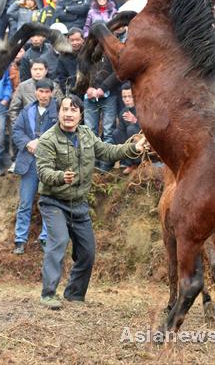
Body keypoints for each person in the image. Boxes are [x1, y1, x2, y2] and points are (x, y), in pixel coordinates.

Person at [36, 95, 148, 309]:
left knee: (87, 252)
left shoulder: (86, 134)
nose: (68, 114)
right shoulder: (48, 140)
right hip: (54, 203)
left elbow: (108, 151)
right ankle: (48, 294)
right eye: (64, 109)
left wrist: (134, 148)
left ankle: (74, 295)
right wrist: (61, 176)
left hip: (78, 204)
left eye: (73, 110)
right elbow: (43, 171)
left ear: (81, 114)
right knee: (58, 243)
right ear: (58, 112)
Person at [13, 78, 58, 255]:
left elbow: (62, 131)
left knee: (48, 202)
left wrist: (41, 142)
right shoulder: (27, 111)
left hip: (50, 163)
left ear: (52, 93)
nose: (44, 95)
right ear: (36, 92)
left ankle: (46, 238)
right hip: (29, 163)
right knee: (25, 203)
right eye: (41, 91)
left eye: (47, 92)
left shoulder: (59, 110)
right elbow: (16, 131)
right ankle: (20, 240)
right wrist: (27, 143)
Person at [9, 59, 54, 124]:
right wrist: (18, 127)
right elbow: (13, 110)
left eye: (40, 69)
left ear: (46, 71)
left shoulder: (54, 86)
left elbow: (60, 108)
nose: (38, 72)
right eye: (35, 69)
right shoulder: (23, 87)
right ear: (30, 70)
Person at [113, 82, 142, 174]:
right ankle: (129, 164)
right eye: (124, 97)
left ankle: (138, 163)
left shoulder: (142, 108)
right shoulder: (123, 112)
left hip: (145, 140)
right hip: (131, 141)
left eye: (130, 96)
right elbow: (121, 133)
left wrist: (135, 121)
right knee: (116, 133)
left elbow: (150, 129)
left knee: (131, 129)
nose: (127, 100)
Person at [56, 27, 85, 94]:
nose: (75, 43)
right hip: (72, 93)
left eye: (78, 40)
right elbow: (62, 78)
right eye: (72, 40)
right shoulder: (63, 57)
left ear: (83, 40)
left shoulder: (88, 54)